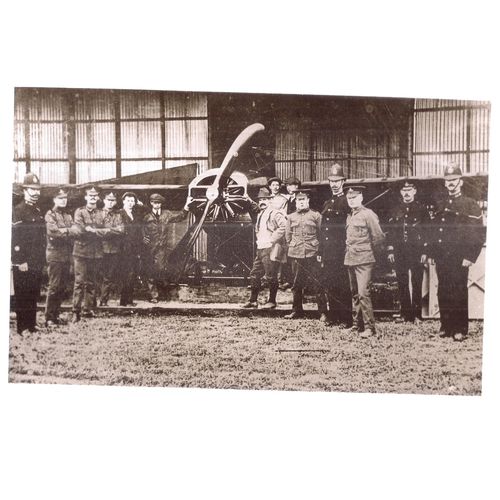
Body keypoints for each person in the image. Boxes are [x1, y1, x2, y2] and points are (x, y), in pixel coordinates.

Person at [427, 163, 484, 341]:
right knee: (442, 290)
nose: (451, 183)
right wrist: (431, 253)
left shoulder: (470, 204)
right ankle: (446, 325)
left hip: (460, 256)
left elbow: (478, 233)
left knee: (458, 290)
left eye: (454, 180)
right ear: (445, 183)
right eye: (448, 180)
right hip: (442, 255)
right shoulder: (440, 204)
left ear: (460, 181)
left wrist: (470, 256)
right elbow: (435, 231)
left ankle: (460, 328)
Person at [385, 180, 430, 324]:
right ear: (400, 192)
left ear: (414, 191)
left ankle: (417, 315)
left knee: (417, 282)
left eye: (409, 190)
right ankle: (405, 314)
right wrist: (390, 250)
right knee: (402, 281)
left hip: (416, 251)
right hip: (400, 251)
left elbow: (428, 231)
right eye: (404, 190)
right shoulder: (395, 209)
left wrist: (425, 251)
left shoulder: (422, 209)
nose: (406, 193)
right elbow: (390, 231)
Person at [344, 185, 385, 338]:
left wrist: (374, 257)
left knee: (363, 293)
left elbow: (378, 238)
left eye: (354, 197)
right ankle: (356, 325)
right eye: (349, 198)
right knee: (355, 294)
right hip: (350, 259)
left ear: (361, 198)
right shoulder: (350, 215)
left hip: (365, 260)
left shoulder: (368, 214)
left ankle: (369, 327)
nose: (352, 200)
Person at [317, 164, 352, 326]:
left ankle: (346, 318)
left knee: (343, 283)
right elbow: (323, 230)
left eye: (337, 181)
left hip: (341, 249)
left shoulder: (346, 202)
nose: (334, 184)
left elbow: (349, 228)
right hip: (328, 250)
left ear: (343, 181)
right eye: (331, 181)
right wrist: (321, 250)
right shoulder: (327, 203)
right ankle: (334, 316)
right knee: (330, 282)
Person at [11, 173, 46, 335]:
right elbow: (15, 238)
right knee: (22, 294)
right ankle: (22, 327)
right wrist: (20, 260)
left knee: (33, 292)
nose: (36, 192)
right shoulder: (18, 210)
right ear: (25, 190)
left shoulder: (37, 210)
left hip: (36, 259)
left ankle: (31, 324)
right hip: (24, 260)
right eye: (32, 189)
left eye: (37, 189)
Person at [72, 185, 113, 321]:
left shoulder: (101, 213)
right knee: (79, 282)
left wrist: (93, 230)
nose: (93, 198)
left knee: (91, 282)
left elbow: (107, 230)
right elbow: (80, 229)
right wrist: (93, 230)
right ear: (86, 197)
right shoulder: (79, 212)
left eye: (95, 196)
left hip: (96, 252)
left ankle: (88, 310)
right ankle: (75, 311)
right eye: (90, 196)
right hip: (81, 252)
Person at [241, 188, 287, 309]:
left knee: (270, 275)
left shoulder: (275, 213)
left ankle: (272, 301)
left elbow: (284, 226)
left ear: (270, 200)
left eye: (265, 199)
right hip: (261, 248)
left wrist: (272, 239)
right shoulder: (260, 214)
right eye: (260, 199)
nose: (262, 201)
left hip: (270, 249)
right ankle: (253, 301)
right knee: (255, 274)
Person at [284, 189, 322, 319]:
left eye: (303, 200)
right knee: (296, 283)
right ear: (295, 202)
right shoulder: (290, 217)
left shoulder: (316, 216)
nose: (301, 202)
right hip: (296, 253)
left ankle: (322, 312)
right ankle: (296, 311)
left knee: (318, 283)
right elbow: (288, 236)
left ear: (308, 201)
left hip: (312, 252)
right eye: (298, 200)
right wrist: (293, 246)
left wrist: (319, 250)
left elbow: (321, 233)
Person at [44, 187, 79, 327]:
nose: (63, 201)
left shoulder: (68, 216)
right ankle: (49, 318)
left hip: (66, 255)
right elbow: (54, 234)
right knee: (54, 286)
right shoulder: (50, 215)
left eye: (65, 198)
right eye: (60, 198)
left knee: (62, 286)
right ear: (54, 200)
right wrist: (68, 231)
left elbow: (76, 232)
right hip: (55, 255)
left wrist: (65, 231)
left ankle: (56, 314)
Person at [142, 193, 179, 302]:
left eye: (158, 203)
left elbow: (180, 217)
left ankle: (161, 293)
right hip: (149, 248)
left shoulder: (167, 214)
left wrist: (186, 207)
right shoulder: (147, 217)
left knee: (160, 269)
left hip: (162, 248)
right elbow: (142, 230)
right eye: (154, 202)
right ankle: (154, 296)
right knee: (150, 270)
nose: (156, 205)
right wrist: (143, 237)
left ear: (161, 204)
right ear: (151, 203)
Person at [99, 191, 125, 306]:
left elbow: (121, 230)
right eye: (108, 200)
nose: (110, 202)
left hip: (114, 249)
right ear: (104, 201)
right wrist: (111, 230)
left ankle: (104, 300)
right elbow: (98, 231)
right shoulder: (98, 214)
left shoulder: (118, 215)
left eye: (113, 200)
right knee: (96, 275)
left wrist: (108, 230)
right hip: (99, 249)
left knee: (109, 276)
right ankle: (92, 301)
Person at [119, 191, 143, 306]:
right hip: (123, 250)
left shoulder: (136, 215)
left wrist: (140, 204)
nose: (130, 203)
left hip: (134, 250)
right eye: (128, 200)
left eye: (132, 201)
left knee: (132, 274)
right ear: (123, 201)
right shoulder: (119, 214)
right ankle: (124, 301)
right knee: (126, 274)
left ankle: (129, 300)